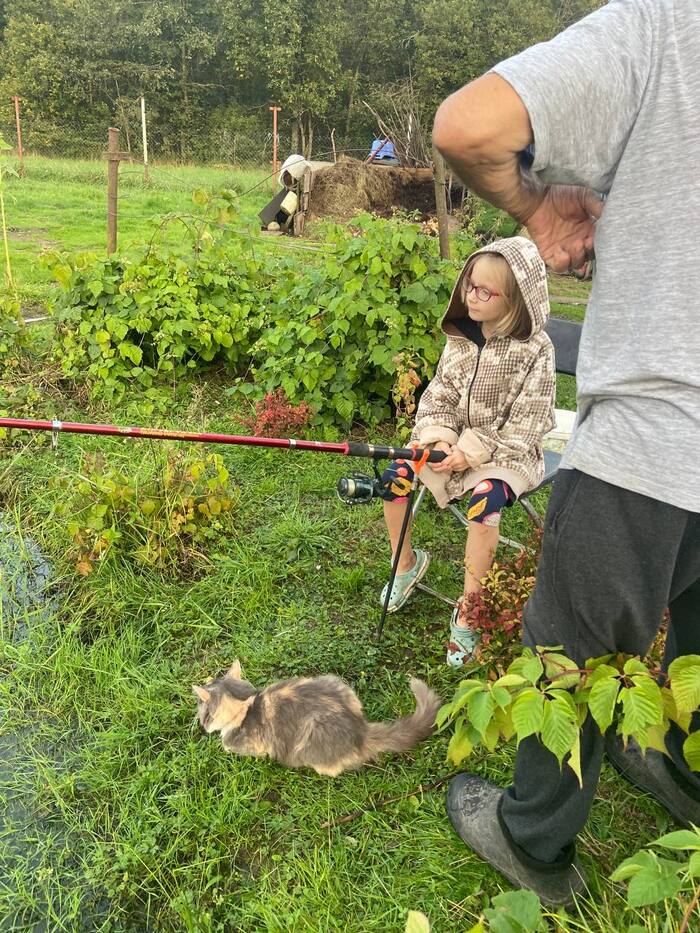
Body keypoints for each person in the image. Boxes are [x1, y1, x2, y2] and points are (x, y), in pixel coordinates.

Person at [431, 0, 700, 908]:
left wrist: (537, 204)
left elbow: (471, 126)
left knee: (568, 659)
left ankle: (531, 839)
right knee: (696, 653)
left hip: (653, 442)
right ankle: (683, 776)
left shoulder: (666, 27)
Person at [379, 236, 555, 666]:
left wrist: (471, 453)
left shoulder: (537, 350)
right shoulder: (461, 337)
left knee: (484, 504)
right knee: (395, 476)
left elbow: (528, 424)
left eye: (484, 291)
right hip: (451, 444)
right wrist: (439, 440)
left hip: (509, 455)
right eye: (468, 286)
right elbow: (438, 396)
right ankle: (405, 565)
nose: (470, 297)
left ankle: (470, 609)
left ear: (515, 299)